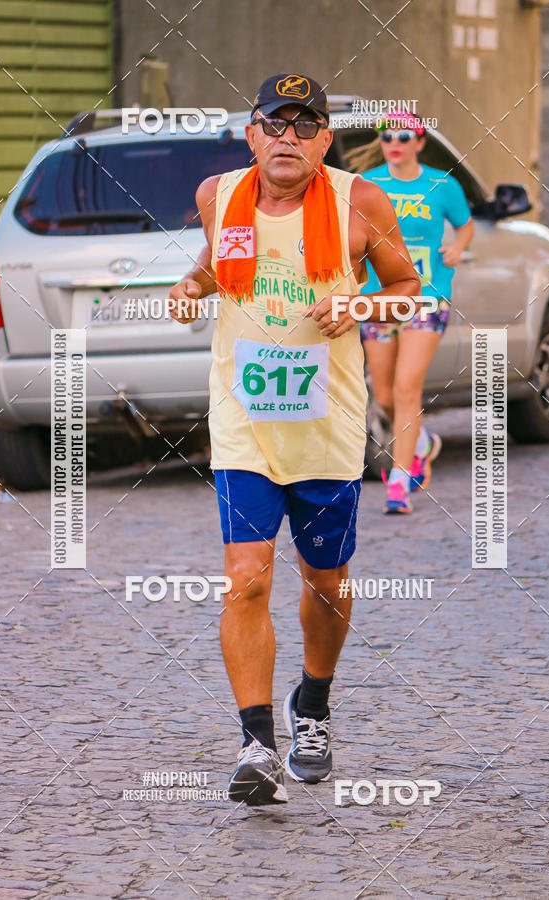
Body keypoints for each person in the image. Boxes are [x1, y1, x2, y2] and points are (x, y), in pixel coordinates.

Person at [170, 74, 420, 806]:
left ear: (324, 140)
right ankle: (256, 745)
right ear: (251, 135)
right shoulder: (219, 195)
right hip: (245, 423)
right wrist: (191, 287)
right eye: (274, 124)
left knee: (326, 584)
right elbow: (215, 267)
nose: (288, 137)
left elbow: (410, 288)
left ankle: (312, 704)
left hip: (327, 427)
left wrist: (362, 301)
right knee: (247, 578)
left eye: (305, 125)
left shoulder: (358, 201)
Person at [348, 112, 474, 513]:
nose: (394, 141)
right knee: (383, 395)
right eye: (387, 136)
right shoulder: (367, 186)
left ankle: (399, 483)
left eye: (404, 135)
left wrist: (456, 247)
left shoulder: (442, 184)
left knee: (406, 388)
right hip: (379, 299)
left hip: (427, 298)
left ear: (420, 142)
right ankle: (421, 443)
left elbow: (466, 223)